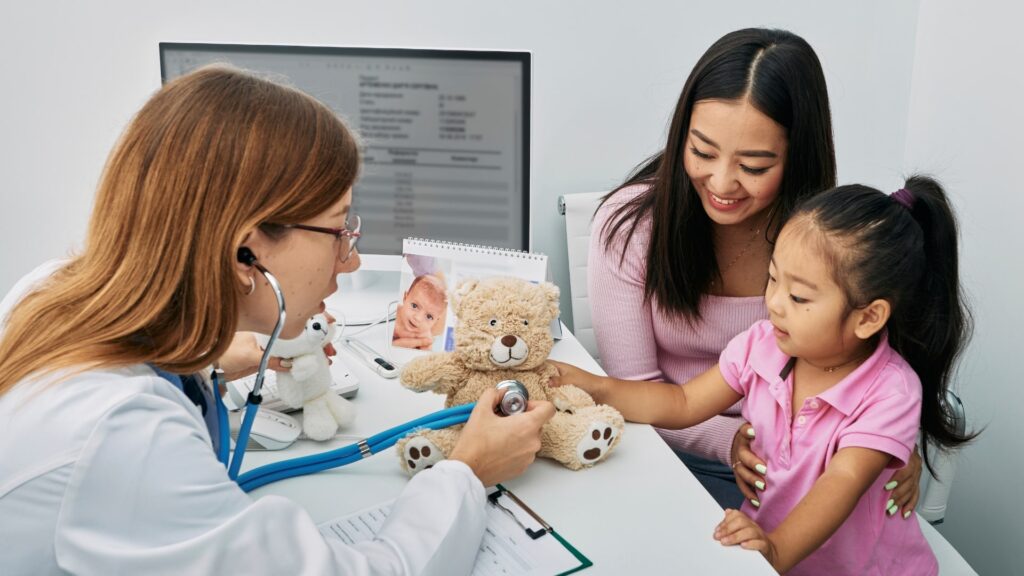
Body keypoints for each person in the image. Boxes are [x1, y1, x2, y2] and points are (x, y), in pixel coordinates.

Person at [0, 66, 555, 574]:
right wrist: (469, 470)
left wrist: (209, 359)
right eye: (339, 230)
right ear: (247, 253)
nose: (352, 258)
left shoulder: (51, 290)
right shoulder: (126, 438)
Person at [555, 176, 974, 574]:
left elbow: (841, 483)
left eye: (798, 296)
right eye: (772, 279)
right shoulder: (763, 345)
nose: (773, 302)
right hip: (769, 558)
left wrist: (776, 549)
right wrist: (599, 386)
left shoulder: (890, 393)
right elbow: (682, 403)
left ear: (868, 318)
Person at [588, 27, 923, 510]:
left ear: (797, 158)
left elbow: (870, 366)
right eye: (702, 152)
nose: (721, 182)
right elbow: (645, 395)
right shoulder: (631, 229)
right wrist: (733, 442)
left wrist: (889, 438)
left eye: (755, 166)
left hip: (808, 464)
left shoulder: (825, 241)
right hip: (673, 448)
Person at [393, 273, 448, 350]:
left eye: (429, 316)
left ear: (436, 320)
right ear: (405, 298)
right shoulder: (394, 314)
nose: (418, 318)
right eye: (414, 306)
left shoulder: (424, 339)